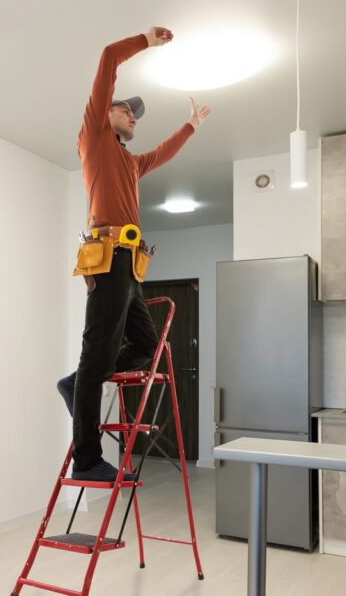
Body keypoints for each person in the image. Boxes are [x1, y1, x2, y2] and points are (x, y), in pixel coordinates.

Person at [64, 27, 210, 482]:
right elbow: (108, 57)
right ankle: (87, 458)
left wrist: (191, 126)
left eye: (135, 115)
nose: (132, 117)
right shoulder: (93, 139)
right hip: (107, 260)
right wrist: (145, 40)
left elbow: (161, 153)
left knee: (149, 345)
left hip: (131, 265)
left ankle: (79, 381)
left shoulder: (130, 161)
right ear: (104, 113)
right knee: (96, 358)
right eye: (126, 109)